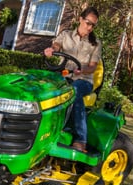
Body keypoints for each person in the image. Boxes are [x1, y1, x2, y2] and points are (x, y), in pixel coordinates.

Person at [44, 7, 102, 152]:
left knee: (74, 90)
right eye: (88, 23)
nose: (90, 27)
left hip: (84, 80)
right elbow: (56, 45)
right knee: (43, 88)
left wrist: (81, 69)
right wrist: (52, 50)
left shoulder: (95, 43)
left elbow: (92, 67)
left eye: (93, 25)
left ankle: (81, 139)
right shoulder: (66, 35)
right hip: (64, 77)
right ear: (80, 19)